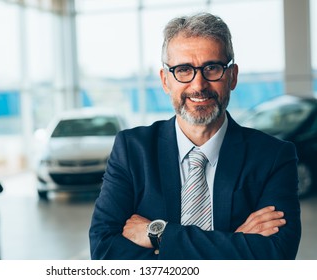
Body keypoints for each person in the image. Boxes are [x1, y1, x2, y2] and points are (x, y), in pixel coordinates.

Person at [89, 12, 301, 260]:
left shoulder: (273, 157)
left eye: (212, 68)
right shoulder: (131, 150)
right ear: (165, 80)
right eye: (183, 69)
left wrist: (160, 235)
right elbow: (104, 253)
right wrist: (235, 242)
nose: (198, 85)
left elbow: (277, 254)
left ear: (232, 76)